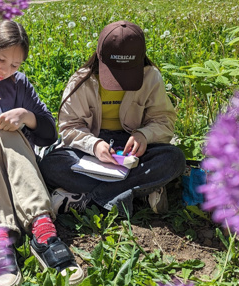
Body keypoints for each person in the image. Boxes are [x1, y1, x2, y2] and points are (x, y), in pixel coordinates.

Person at [0, 20, 84, 286]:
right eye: (1, 60)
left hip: (11, 172)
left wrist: (26, 116)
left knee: (10, 131)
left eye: (15, 65)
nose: (6, 70)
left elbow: (47, 134)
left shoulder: (18, 84)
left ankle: (43, 230)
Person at [39, 21, 186, 218]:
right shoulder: (81, 81)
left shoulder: (151, 77)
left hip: (134, 152)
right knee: (51, 165)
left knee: (174, 159)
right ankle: (139, 190)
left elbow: (163, 120)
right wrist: (94, 145)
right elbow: (69, 127)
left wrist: (144, 135)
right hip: (91, 149)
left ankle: (90, 201)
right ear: (99, 57)